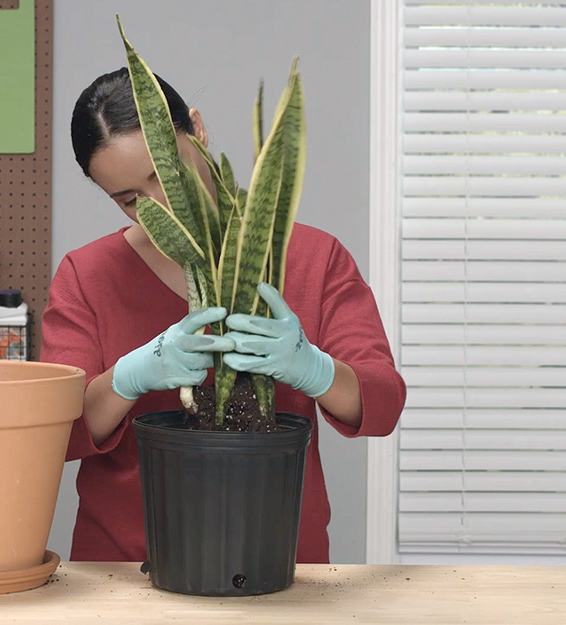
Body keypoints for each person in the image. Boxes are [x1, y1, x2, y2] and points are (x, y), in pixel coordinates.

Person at [42, 68, 406, 563]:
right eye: (129, 200)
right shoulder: (86, 274)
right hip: (124, 568)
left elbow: (382, 404)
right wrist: (128, 377)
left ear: (198, 128)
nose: (159, 204)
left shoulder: (313, 258)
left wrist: (314, 368)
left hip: (276, 558)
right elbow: (58, 433)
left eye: (164, 172)